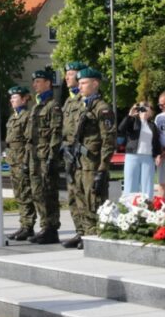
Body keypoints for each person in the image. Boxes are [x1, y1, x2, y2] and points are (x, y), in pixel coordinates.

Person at [63, 67, 115, 249]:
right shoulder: (81, 106)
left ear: (95, 84)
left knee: (93, 200)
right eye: (79, 83)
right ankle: (85, 233)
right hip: (78, 162)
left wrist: (102, 168)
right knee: (80, 199)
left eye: (84, 83)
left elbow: (108, 141)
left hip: (93, 163)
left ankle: (95, 236)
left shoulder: (102, 109)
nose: (80, 86)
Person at [28, 68, 63, 244]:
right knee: (37, 193)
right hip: (35, 157)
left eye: (38, 81)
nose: (35, 84)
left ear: (48, 83)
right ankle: (44, 226)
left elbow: (56, 133)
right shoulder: (36, 106)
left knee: (48, 193)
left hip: (46, 157)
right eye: (34, 82)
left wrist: (51, 157)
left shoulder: (52, 106)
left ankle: (51, 228)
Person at [60, 61, 87, 244]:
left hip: (81, 155)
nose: (67, 77)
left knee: (82, 194)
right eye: (67, 74)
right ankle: (79, 231)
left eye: (70, 74)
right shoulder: (69, 101)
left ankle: (87, 232)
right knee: (72, 194)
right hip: (68, 153)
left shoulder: (84, 100)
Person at [5, 86, 35, 241]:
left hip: (22, 161)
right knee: (19, 195)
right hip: (13, 161)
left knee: (25, 194)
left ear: (24, 100)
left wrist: (26, 162)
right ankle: (23, 225)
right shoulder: (13, 117)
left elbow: (29, 142)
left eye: (15, 98)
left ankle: (28, 226)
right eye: (11, 98)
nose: (12, 100)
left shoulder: (27, 117)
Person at [119, 101, 161, 199]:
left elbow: (156, 141)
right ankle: (129, 204)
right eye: (143, 108)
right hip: (132, 156)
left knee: (147, 184)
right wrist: (130, 115)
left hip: (148, 158)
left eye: (147, 107)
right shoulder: (132, 121)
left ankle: (148, 204)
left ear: (151, 111)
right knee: (130, 183)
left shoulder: (152, 125)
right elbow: (121, 128)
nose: (145, 110)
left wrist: (158, 154)